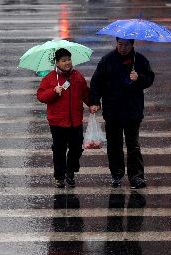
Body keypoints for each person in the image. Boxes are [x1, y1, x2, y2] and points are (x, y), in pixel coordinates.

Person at [89, 37, 155, 189]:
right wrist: (94, 101)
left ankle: (136, 177)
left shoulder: (139, 60)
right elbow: (96, 81)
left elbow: (150, 78)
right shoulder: (107, 60)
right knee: (114, 145)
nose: (123, 48)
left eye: (126, 45)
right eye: (120, 45)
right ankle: (116, 174)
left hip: (133, 110)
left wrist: (139, 78)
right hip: (112, 110)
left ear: (132, 45)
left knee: (133, 145)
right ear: (116, 44)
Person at [37, 48, 90, 188]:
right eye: (63, 60)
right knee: (59, 150)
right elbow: (41, 96)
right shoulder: (50, 78)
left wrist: (93, 104)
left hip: (75, 120)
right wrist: (54, 91)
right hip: (57, 122)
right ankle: (59, 176)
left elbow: (85, 93)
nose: (67, 62)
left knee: (77, 147)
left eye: (68, 59)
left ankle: (70, 172)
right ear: (57, 62)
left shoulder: (77, 77)